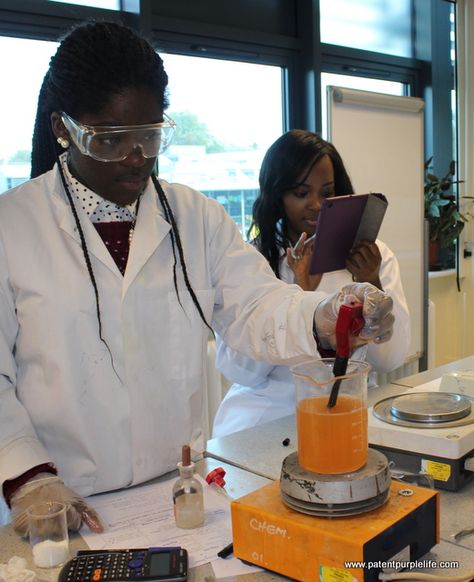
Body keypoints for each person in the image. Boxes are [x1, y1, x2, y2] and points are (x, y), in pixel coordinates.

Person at [0, 23, 395, 537]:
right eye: (111, 139)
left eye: (149, 135)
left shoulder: (195, 216)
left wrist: (324, 316)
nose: (136, 157)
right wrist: (27, 477)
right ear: (63, 128)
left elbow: (257, 305)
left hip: (177, 495)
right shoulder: (13, 227)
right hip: (60, 505)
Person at [212, 130, 410, 438]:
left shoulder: (373, 256)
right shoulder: (251, 260)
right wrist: (299, 294)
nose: (317, 205)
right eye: (302, 194)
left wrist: (372, 281)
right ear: (277, 195)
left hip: (347, 409)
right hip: (269, 415)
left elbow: (390, 360)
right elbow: (243, 373)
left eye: (327, 192)